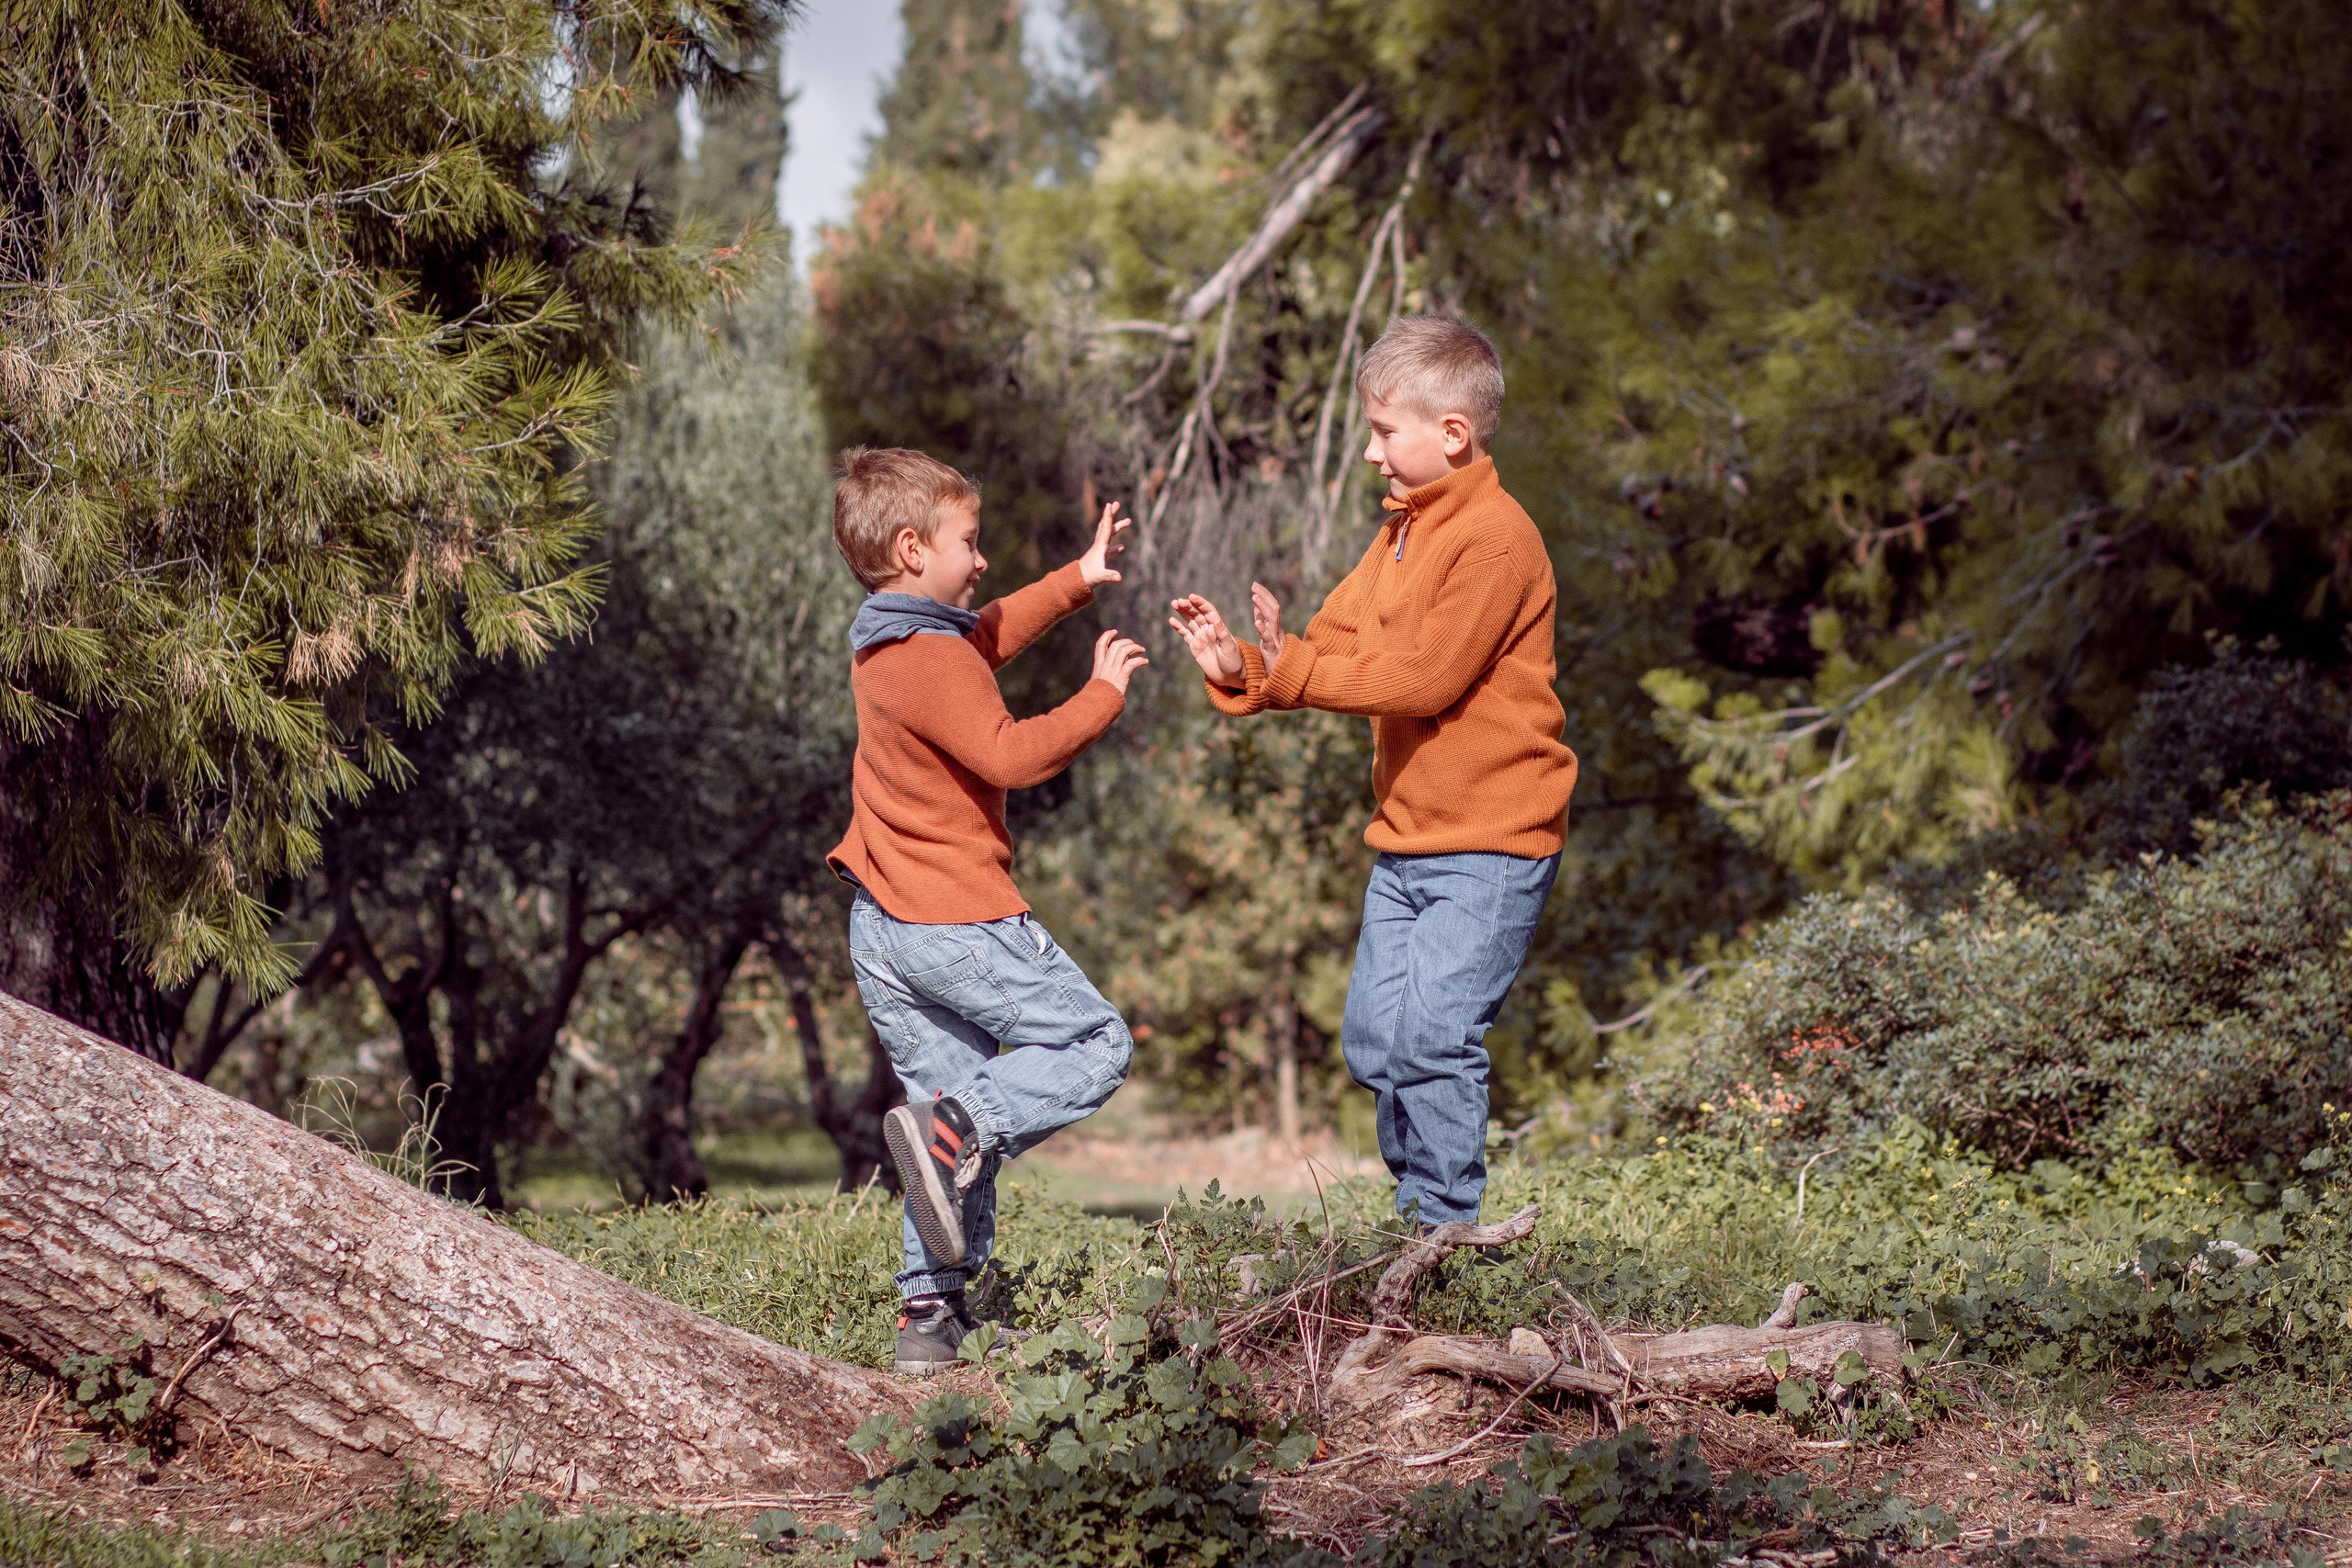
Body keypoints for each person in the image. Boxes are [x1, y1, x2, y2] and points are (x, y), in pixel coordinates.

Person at [1168, 314, 1577, 1233]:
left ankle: (1442, 1234)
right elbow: (1329, 647)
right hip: (1407, 844)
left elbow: (1426, 678)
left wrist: (1294, 671)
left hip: (1490, 846)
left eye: (1385, 431)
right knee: (1375, 1044)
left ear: (1452, 435)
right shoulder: (1400, 533)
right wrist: (1244, 665)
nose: (1370, 452)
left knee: (1432, 1040)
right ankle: (1415, 1223)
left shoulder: (1495, 540)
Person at [824, 446, 1147, 1374]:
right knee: (1094, 1048)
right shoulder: (931, 655)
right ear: (912, 546)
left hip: (884, 926)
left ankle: (928, 1317)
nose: (982, 560)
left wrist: (1076, 580)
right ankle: (955, 1130)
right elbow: (1007, 755)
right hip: (953, 918)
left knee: (948, 1130)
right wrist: (1101, 696)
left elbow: (983, 637)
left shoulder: (893, 641)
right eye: (970, 542)